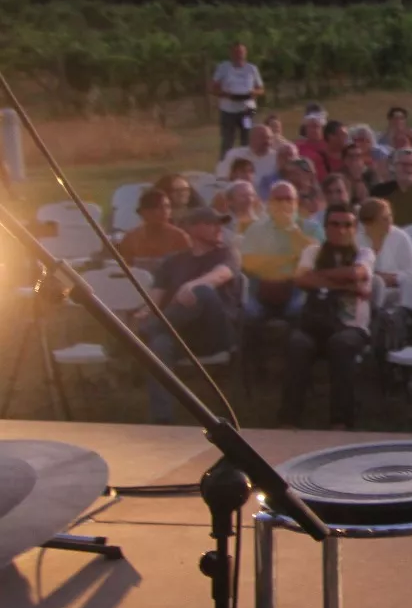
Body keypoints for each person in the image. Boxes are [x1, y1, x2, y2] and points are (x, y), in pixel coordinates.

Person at [138, 208, 240, 423]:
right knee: (159, 345)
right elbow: (154, 302)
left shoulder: (226, 254)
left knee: (202, 292)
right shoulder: (173, 262)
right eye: (212, 223)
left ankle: (139, 335)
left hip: (214, 332)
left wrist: (191, 285)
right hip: (180, 334)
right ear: (193, 228)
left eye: (220, 223)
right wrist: (144, 312)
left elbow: (220, 275)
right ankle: (163, 420)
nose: (219, 228)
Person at [279, 204, 374, 429]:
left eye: (347, 225)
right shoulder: (313, 252)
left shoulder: (364, 253)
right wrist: (346, 287)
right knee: (297, 344)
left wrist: (318, 277)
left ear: (355, 228)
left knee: (341, 345)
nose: (341, 230)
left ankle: (341, 421)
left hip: (351, 325)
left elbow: (355, 272)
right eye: (335, 224)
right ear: (326, 227)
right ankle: (288, 421)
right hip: (315, 324)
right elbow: (301, 280)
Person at [240, 181, 319, 319]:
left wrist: (292, 230)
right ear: (270, 203)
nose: (283, 204)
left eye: (288, 199)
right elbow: (249, 264)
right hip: (262, 284)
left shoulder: (312, 228)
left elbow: (317, 257)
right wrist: (290, 259)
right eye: (278, 199)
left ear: (297, 203)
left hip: (298, 285)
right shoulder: (256, 229)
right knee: (250, 312)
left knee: (296, 310)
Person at [210, 41, 264, 159]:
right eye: (236, 52)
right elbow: (213, 88)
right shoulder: (223, 67)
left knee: (248, 138)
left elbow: (261, 89)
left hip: (248, 110)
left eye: (241, 52)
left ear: (246, 53)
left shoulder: (252, 68)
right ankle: (224, 167)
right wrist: (226, 94)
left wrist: (253, 93)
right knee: (227, 141)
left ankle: (249, 163)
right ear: (231, 54)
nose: (239, 55)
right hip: (228, 111)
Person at [356, 197, 412, 293]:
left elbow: (411, 274)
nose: (390, 222)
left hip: (397, 291)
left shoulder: (401, 237)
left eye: (390, 216)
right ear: (369, 223)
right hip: (364, 290)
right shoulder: (357, 238)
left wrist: (389, 279)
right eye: (384, 219)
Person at [117, 188, 191, 269]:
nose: (165, 211)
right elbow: (126, 268)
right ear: (144, 212)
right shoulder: (131, 238)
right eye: (159, 208)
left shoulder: (180, 238)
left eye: (167, 207)